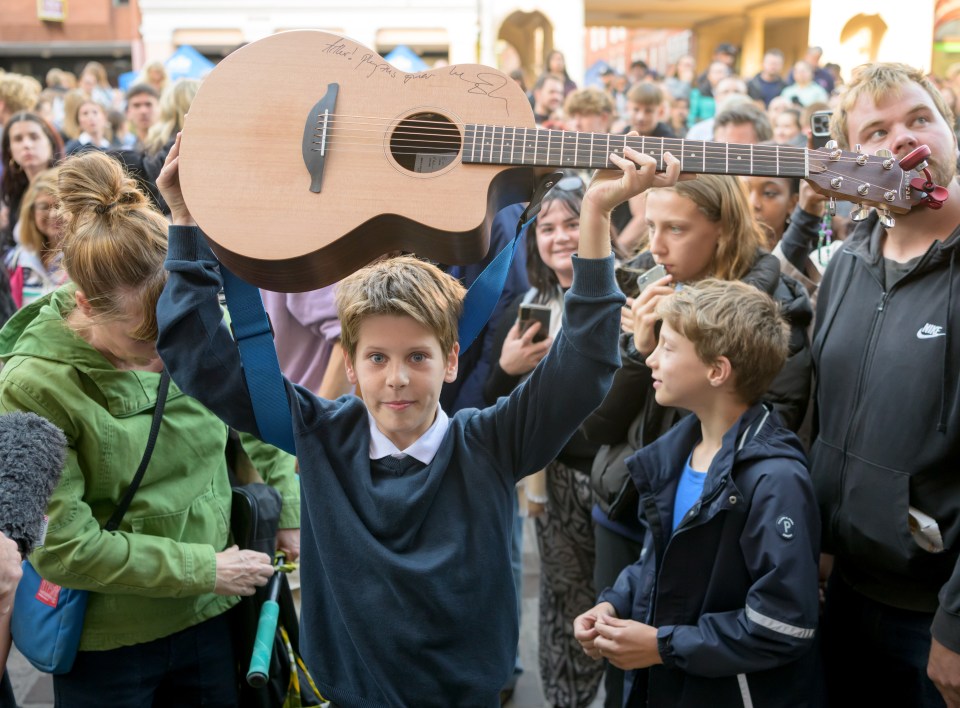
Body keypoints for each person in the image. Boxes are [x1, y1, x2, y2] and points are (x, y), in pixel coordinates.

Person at [154, 131, 684, 706]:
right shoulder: (320, 434)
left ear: (451, 360)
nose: (397, 378)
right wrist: (184, 222)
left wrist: (599, 212)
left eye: (418, 357)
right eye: (377, 358)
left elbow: (584, 363)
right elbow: (201, 358)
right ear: (350, 367)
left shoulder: (491, 442)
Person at [0, 149, 300, 706]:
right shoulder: (29, 385)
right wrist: (204, 569)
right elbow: (61, 547)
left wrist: (290, 509)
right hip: (110, 641)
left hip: (213, 615)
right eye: (148, 339)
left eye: (181, 330)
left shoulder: (193, 320)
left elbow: (258, 411)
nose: (175, 352)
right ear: (87, 305)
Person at [582, 174, 813, 708]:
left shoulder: (772, 309)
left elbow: (778, 621)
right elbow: (595, 426)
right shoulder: (645, 285)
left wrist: (664, 644)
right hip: (633, 515)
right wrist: (616, 604)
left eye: (675, 229)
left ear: (723, 229)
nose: (654, 246)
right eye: (651, 226)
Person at [810, 62, 960, 708]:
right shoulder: (848, 260)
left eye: (919, 119)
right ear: (853, 159)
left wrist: (956, 623)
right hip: (842, 594)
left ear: (950, 130)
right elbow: (824, 411)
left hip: (934, 620)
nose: (901, 138)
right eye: (877, 130)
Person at [483, 173, 613, 708]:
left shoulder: (621, 292)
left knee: (617, 601)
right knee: (563, 604)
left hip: (616, 477)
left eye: (572, 222)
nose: (560, 236)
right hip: (555, 482)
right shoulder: (530, 305)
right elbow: (497, 409)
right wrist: (507, 369)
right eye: (548, 227)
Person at [0, 111, 64, 250]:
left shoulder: (68, 185)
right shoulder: (13, 191)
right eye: (18, 139)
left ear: (50, 143)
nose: (27, 145)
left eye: (34, 137)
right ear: (9, 150)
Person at [7, 168, 69, 308]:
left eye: (60, 205)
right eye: (44, 207)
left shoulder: (83, 259)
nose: (53, 214)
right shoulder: (18, 260)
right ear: (31, 213)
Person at [122, 83, 160, 149]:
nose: (143, 111)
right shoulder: (126, 150)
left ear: (160, 108)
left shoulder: (172, 146)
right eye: (136, 105)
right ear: (128, 112)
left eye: (148, 104)